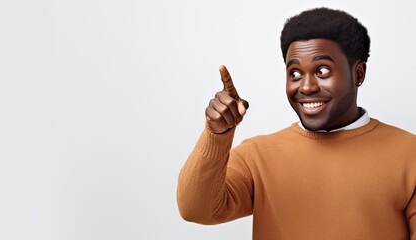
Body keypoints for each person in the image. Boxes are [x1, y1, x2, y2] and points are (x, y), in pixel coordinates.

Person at [176, 7, 416, 239]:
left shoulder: (409, 153)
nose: (307, 86)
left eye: (322, 70)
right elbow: (196, 209)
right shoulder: (258, 156)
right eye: (295, 73)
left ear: (358, 74)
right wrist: (216, 134)